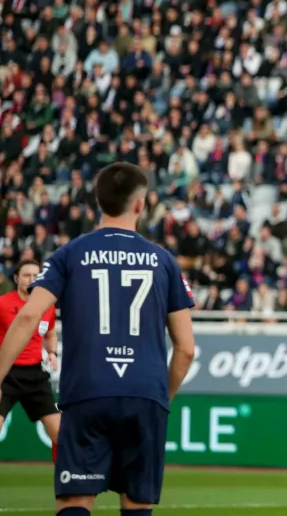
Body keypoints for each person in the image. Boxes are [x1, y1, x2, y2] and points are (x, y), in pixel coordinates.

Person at [0, 162, 196, 516]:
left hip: (87, 391)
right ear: (141, 204)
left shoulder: (69, 254)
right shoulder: (164, 261)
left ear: (98, 201)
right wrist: (160, 398)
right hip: (145, 394)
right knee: (137, 503)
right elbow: (186, 349)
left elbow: (28, 315)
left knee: (75, 500)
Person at [0, 259, 60, 462]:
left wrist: (52, 353)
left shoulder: (47, 306)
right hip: (6, 373)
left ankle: (67, 478)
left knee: (60, 434)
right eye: (26, 275)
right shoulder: (2, 303)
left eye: (36, 275)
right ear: (16, 278)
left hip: (35, 374)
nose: (31, 279)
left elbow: (51, 334)